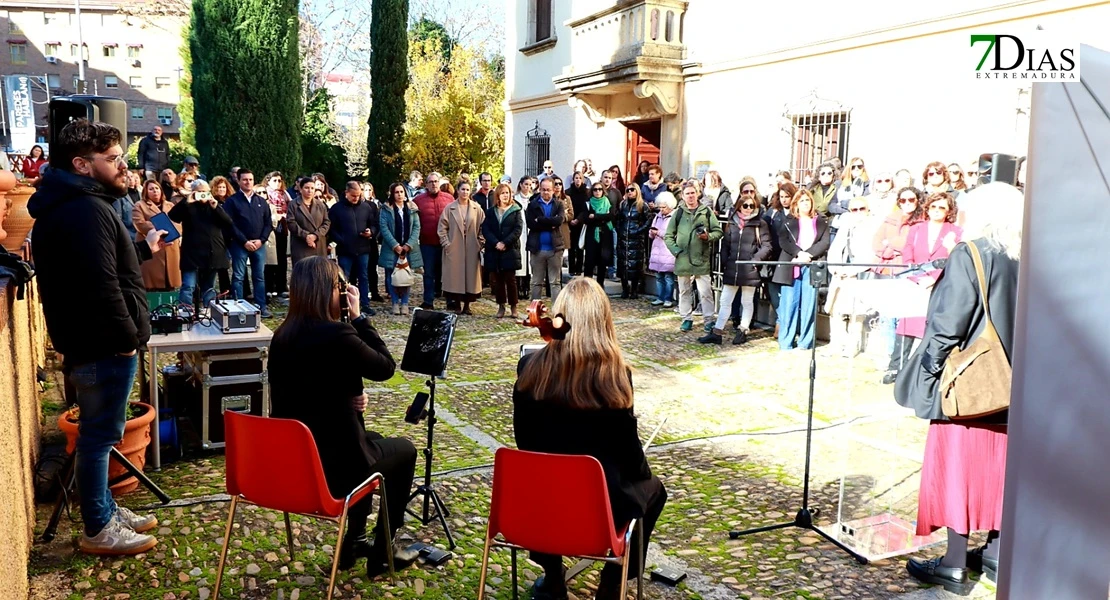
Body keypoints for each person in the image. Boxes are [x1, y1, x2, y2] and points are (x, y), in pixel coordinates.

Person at [28, 119, 167, 555]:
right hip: (102, 344)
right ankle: (98, 528)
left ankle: (103, 509)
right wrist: (127, 338)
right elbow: (100, 284)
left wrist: (144, 250)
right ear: (81, 165)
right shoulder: (83, 209)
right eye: (112, 159)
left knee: (100, 435)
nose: (123, 165)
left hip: (96, 341)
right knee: (97, 440)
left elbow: (107, 264)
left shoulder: (80, 203)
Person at [894, 183, 1022, 593]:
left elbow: (946, 325)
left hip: (970, 384)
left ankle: (953, 565)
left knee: (957, 470)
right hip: (1016, 384)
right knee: (1003, 471)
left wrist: (926, 378)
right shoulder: (1031, 257)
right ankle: (996, 555)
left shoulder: (972, 253)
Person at [513, 277, 667, 600]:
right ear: (603, 322)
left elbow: (524, 442)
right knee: (654, 490)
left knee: (546, 477)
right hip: (596, 511)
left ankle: (553, 578)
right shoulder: (615, 378)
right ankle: (613, 581)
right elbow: (631, 460)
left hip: (539, 507)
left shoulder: (528, 368)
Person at [269, 256, 418, 578]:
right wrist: (360, 316)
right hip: (332, 465)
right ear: (329, 291)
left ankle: (356, 539)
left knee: (373, 439)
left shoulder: (282, 335)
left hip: (297, 458)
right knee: (405, 450)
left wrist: (348, 396)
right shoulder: (337, 335)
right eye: (340, 285)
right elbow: (385, 367)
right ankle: (382, 551)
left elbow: (313, 385)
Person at [772, 188, 831, 351]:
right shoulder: (788, 220)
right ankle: (786, 342)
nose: (805, 203)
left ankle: (805, 342)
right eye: (801, 201)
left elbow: (824, 242)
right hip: (792, 264)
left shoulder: (821, 221)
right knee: (789, 304)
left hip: (811, 265)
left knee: (808, 306)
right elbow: (784, 240)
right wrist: (798, 254)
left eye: (807, 200)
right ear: (796, 204)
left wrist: (808, 255)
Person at [665, 182, 723, 334]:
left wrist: (708, 236)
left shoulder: (706, 211)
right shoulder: (678, 213)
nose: (690, 196)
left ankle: (709, 320)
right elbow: (668, 236)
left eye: (692, 193)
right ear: (683, 196)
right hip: (683, 259)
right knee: (684, 291)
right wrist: (676, 251)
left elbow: (718, 231)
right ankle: (686, 318)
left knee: (705, 292)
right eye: (687, 194)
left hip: (701, 258)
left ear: (697, 193)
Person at [169, 180, 233, 311]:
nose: (202, 195)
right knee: (188, 285)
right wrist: (187, 201)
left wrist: (216, 207)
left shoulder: (214, 206)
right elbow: (173, 216)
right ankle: (184, 312)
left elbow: (228, 222)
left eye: (205, 191)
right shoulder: (188, 206)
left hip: (212, 252)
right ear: (193, 192)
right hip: (191, 253)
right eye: (199, 192)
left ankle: (208, 313)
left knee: (208, 287)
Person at [224, 169, 274, 317]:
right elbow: (229, 224)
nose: (248, 182)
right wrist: (244, 241)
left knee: (259, 277)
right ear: (238, 181)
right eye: (244, 180)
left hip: (259, 245)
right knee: (238, 277)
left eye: (251, 179)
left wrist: (261, 240)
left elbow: (268, 223)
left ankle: (261, 306)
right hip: (240, 245)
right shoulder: (232, 201)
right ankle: (238, 308)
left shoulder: (261, 201)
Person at [329, 181, 379, 316]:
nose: (356, 198)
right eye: (353, 196)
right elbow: (331, 229)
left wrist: (371, 232)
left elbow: (374, 224)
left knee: (363, 276)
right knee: (345, 278)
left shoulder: (366, 207)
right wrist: (341, 240)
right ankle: (345, 303)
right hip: (345, 249)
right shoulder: (336, 209)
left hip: (363, 248)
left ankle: (364, 303)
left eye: (358, 195)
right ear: (346, 193)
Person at [437, 180, 485, 315]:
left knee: (470, 276)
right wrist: (446, 243)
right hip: (455, 246)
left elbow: (483, 227)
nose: (465, 192)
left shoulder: (476, 208)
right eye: (463, 189)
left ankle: (467, 305)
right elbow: (442, 228)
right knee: (455, 276)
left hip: (471, 246)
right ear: (458, 191)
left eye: (467, 190)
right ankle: (456, 303)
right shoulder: (450, 208)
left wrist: (480, 242)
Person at [378, 182, 422, 316]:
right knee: (392, 276)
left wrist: (409, 245)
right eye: (396, 192)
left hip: (408, 247)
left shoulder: (412, 208)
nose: (399, 194)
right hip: (392, 248)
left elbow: (416, 227)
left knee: (406, 275)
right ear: (392, 194)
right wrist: (395, 245)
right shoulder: (386, 209)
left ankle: (405, 302)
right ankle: (395, 302)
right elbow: (384, 228)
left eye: (401, 192)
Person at [131, 180, 182, 291]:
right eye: (151, 189)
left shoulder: (170, 205)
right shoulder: (140, 205)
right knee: (152, 284)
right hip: (153, 249)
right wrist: (162, 226)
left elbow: (178, 223)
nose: (155, 191)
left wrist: (173, 230)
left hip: (171, 246)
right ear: (146, 192)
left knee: (170, 284)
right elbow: (139, 224)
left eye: (157, 188)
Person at [482, 183, 523, 319]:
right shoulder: (491, 212)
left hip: (510, 249)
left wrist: (505, 242)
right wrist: (496, 243)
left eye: (508, 193)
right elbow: (486, 229)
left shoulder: (516, 210)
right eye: (503, 193)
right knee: (497, 280)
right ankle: (501, 306)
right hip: (494, 250)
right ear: (498, 195)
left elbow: (518, 229)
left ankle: (514, 306)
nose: (506, 195)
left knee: (510, 280)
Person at [525, 178, 565, 302]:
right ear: (539, 189)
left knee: (555, 282)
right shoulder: (533, 205)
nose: (545, 192)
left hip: (555, 249)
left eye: (548, 190)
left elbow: (559, 221)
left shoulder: (559, 204)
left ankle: (557, 312)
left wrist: (541, 220)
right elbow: (531, 224)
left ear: (553, 190)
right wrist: (550, 222)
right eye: (543, 190)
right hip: (537, 248)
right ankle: (534, 312)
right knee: (536, 282)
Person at [615, 182, 650, 299]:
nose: (630, 192)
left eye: (632, 190)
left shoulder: (642, 205)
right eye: (628, 190)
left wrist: (638, 231)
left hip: (636, 240)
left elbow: (648, 221)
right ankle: (625, 289)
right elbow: (618, 219)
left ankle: (634, 290)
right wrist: (619, 231)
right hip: (623, 239)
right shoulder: (623, 205)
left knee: (636, 265)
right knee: (622, 264)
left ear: (637, 191)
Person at [287, 176, 331, 265]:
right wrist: (306, 236)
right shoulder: (293, 204)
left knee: (319, 272)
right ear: (301, 189)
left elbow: (326, 222)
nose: (310, 190)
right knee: (303, 273)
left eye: (312, 188)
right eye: (306, 188)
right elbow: (291, 223)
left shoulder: (321, 205)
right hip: (301, 245)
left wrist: (315, 235)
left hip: (318, 244)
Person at [579, 182, 615, 288]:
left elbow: (611, 216)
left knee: (602, 261)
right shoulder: (588, 203)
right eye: (595, 189)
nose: (598, 191)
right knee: (590, 261)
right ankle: (587, 286)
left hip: (605, 235)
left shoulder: (608, 202)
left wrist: (595, 216)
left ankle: (600, 285)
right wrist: (601, 217)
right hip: (591, 234)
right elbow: (585, 218)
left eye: (600, 189)